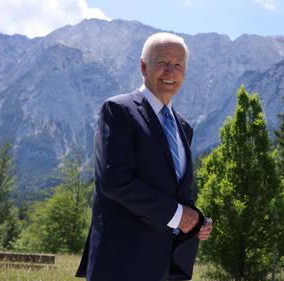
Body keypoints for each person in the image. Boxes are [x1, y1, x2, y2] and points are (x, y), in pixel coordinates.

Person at [76, 32, 213, 281]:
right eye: (163, 62)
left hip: (167, 267)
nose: (171, 71)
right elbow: (114, 180)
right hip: (120, 265)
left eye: (178, 65)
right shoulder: (118, 110)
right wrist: (179, 216)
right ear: (143, 66)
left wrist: (196, 219)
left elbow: (176, 192)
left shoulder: (184, 127)